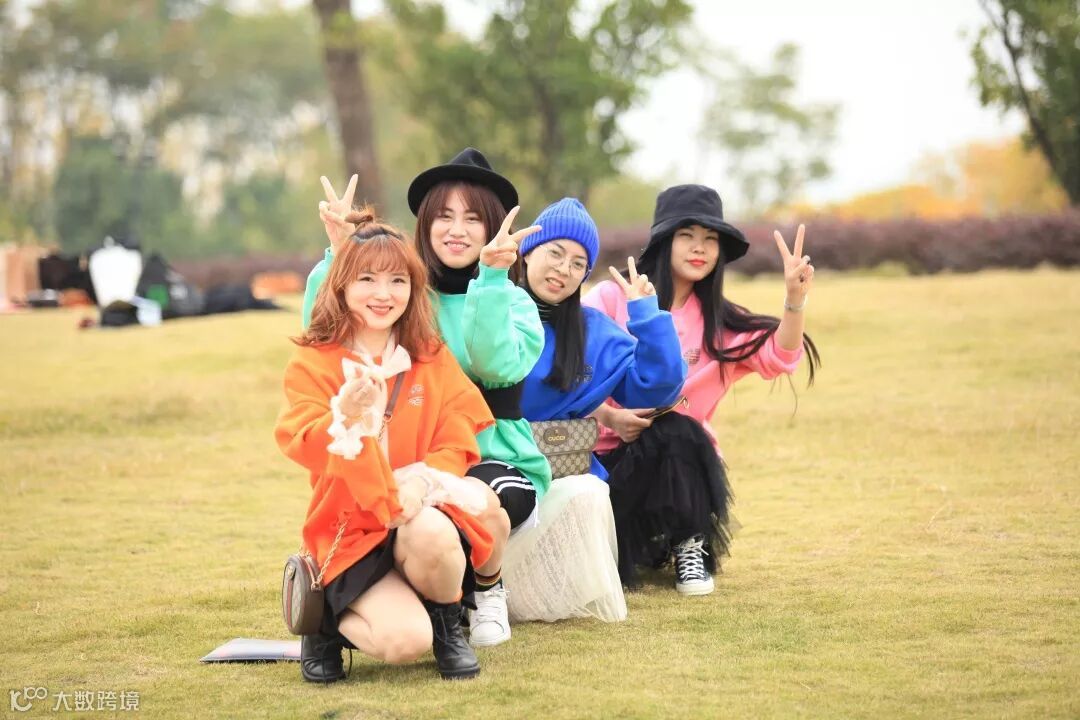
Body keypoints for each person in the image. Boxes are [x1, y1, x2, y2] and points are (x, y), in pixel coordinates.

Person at [302, 149, 549, 647]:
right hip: (412, 453)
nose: (457, 230)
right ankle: (397, 609)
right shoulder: (404, 297)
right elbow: (328, 333)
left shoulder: (515, 301)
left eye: (473, 219)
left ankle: (485, 590)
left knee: (477, 500)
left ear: (492, 228)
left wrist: (492, 279)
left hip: (492, 454)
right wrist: (341, 254)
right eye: (444, 217)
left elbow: (492, 365)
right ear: (425, 224)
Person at [276, 209, 499, 682]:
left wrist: (419, 484)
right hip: (351, 523)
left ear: (413, 289)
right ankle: (324, 625)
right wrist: (344, 417)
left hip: (415, 512)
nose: (384, 294)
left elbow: (458, 430)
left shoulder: (430, 354)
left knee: (435, 530)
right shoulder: (315, 360)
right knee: (404, 643)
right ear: (341, 285)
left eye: (398, 280)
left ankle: (447, 625)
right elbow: (301, 440)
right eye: (368, 279)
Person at [583, 184, 821, 595]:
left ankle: (688, 544)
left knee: (676, 425)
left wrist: (794, 299)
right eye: (687, 235)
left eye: (710, 239)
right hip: (608, 461)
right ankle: (637, 543)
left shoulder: (719, 322)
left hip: (684, 469)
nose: (700, 247)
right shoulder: (612, 298)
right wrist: (609, 416)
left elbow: (780, 357)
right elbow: (569, 373)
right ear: (665, 241)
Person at [502, 198, 686, 623]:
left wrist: (647, 315)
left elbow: (658, 385)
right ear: (526, 252)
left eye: (577, 263)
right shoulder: (492, 310)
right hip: (492, 463)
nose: (563, 270)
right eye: (555, 253)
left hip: (562, 472)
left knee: (588, 490)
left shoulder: (594, 333)